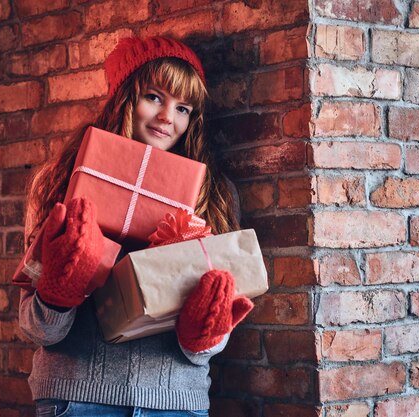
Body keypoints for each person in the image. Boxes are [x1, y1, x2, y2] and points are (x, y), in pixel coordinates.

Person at [18, 36, 254, 417]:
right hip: (78, 398)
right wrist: (56, 294)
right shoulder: (60, 180)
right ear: (124, 97)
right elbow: (36, 330)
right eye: (154, 97)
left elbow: (211, 342)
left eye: (183, 108)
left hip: (176, 403)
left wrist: (204, 334)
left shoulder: (214, 194)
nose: (167, 119)